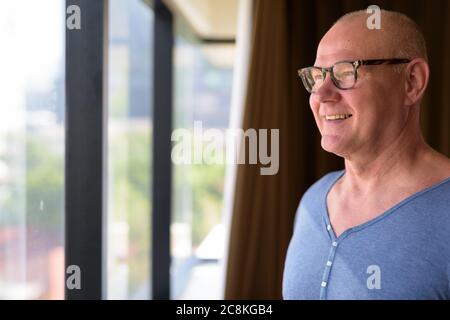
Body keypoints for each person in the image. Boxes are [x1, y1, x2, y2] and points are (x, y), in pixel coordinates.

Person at [283, 9, 450, 299]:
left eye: (346, 72)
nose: (321, 95)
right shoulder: (312, 201)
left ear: (412, 82)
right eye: (317, 76)